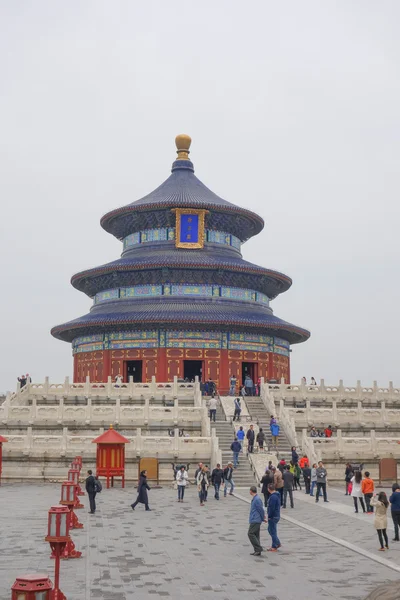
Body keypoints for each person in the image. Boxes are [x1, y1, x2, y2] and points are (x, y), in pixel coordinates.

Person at [248, 485, 266, 556]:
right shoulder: (255, 498)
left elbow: (261, 510)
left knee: (250, 533)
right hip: (255, 519)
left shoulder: (257, 499)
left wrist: (263, 518)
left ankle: (258, 548)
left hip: (256, 519)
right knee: (256, 534)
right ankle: (257, 551)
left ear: (251, 491)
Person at [266, 484, 281, 551]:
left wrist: (269, 516)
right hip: (276, 515)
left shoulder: (273, 497)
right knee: (270, 530)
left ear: (269, 489)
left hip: (273, 516)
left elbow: (272, 508)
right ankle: (277, 543)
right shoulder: (276, 495)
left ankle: (274, 546)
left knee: (272, 531)